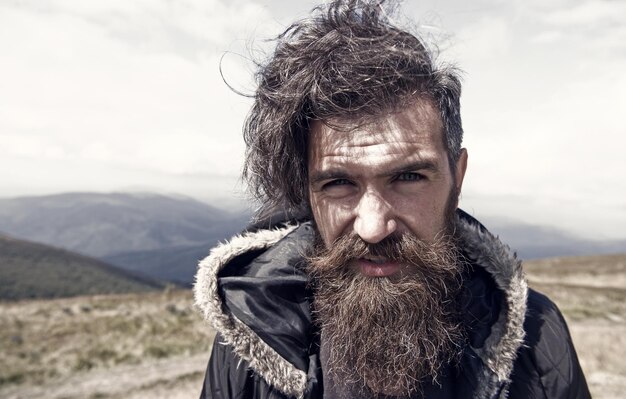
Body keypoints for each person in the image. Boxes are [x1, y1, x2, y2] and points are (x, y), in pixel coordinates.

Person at [193, 1, 590, 398]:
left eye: (408, 177)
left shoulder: (535, 340)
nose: (373, 226)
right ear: (309, 195)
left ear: (458, 178)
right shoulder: (253, 333)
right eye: (338, 183)